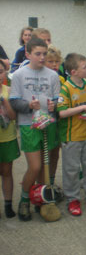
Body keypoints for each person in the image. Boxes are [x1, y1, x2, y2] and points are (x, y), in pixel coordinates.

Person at [10, 37, 60, 221]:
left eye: (44, 54)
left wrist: (54, 106)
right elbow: (14, 101)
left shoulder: (53, 75)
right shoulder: (19, 75)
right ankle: (24, 199)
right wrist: (29, 105)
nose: (41, 57)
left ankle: (40, 197)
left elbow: (56, 99)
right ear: (28, 54)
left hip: (48, 124)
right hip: (29, 124)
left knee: (45, 166)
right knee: (35, 165)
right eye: (37, 54)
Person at [58, 53, 86, 216]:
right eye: (84, 67)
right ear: (73, 71)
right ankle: (73, 199)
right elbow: (61, 113)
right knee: (71, 170)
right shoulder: (66, 88)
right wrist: (82, 108)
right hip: (71, 137)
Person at [0, 60, 20, 218]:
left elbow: (13, 117)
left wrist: (5, 102)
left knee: (7, 172)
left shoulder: (9, 90)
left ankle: (8, 204)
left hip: (7, 138)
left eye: (1, 71)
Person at [44, 45, 65, 200]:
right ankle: (44, 184)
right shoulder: (43, 78)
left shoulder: (62, 79)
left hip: (59, 120)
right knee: (46, 152)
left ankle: (51, 182)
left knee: (55, 152)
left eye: (56, 61)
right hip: (44, 120)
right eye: (50, 61)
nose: (54, 65)